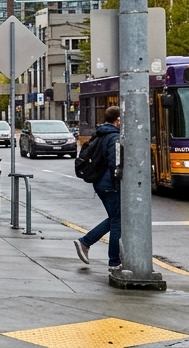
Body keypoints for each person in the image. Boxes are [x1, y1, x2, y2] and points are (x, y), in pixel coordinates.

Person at [75, 106, 122, 271]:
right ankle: (114, 262)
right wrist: (119, 182)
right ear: (118, 120)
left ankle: (85, 243)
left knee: (115, 218)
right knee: (118, 221)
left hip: (100, 183)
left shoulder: (100, 133)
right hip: (110, 185)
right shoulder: (114, 137)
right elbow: (114, 162)